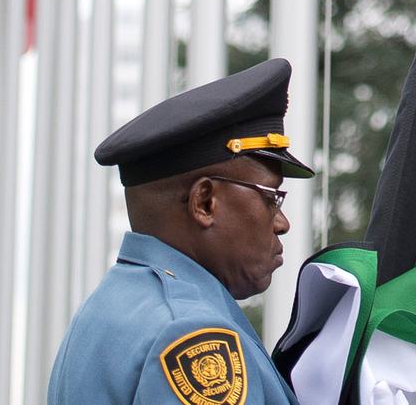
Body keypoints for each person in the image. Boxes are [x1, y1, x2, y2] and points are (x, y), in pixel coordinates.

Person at [48, 59, 315, 404]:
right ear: (204, 202)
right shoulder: (193, 334)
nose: (282, 223)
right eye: (270, 199)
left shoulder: (110, 306)